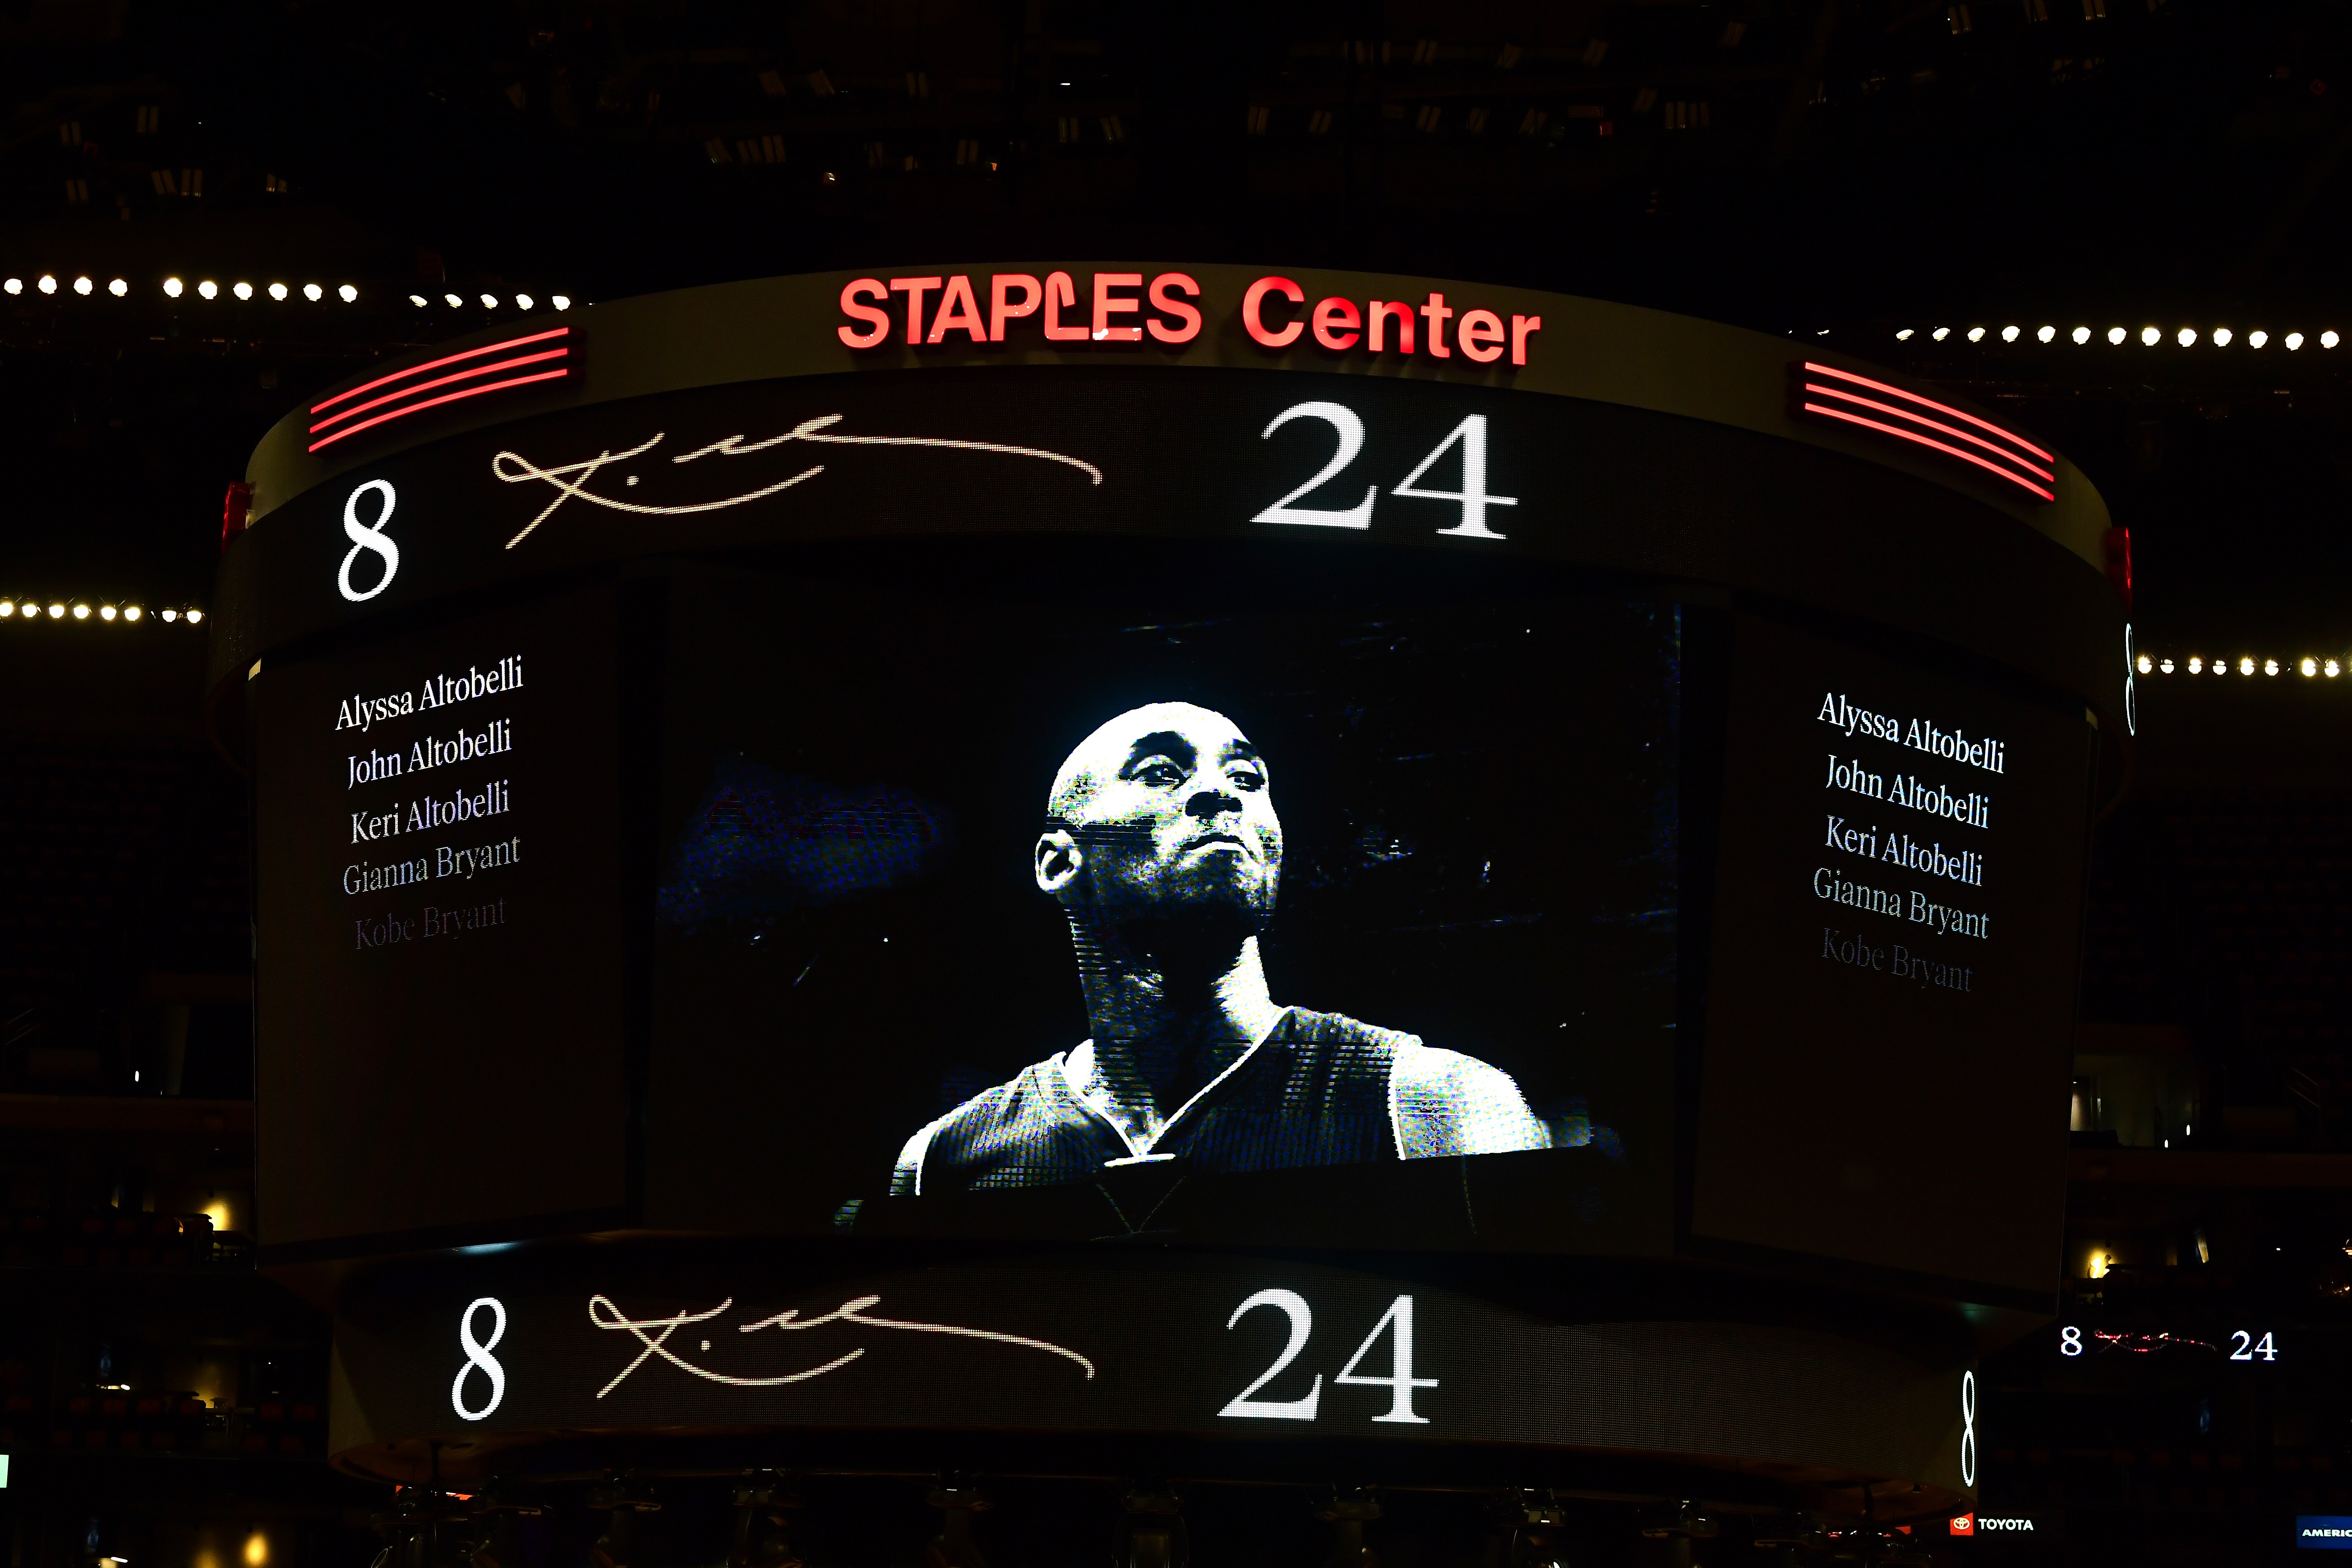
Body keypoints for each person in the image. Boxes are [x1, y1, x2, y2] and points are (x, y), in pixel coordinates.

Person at [890, 701, 1550, 1195]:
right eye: (1159, 772)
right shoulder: (942, 1163)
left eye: (1247, 777)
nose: (1220, 792)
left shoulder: (1437, 1101)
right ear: (1060, 863)